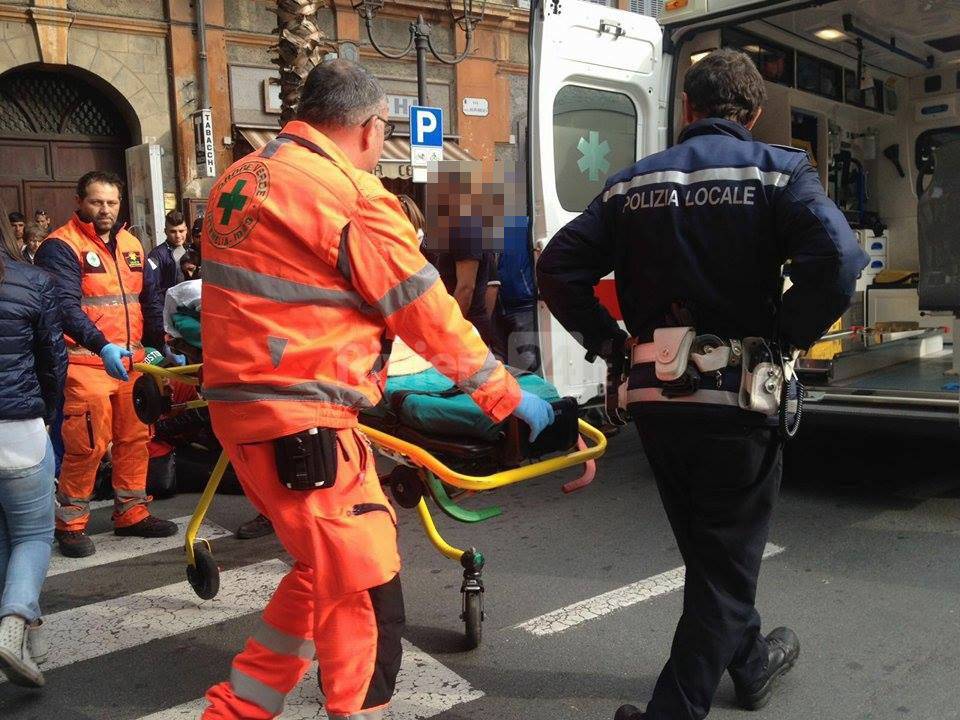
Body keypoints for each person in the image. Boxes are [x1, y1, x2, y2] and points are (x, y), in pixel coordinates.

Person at [199, 58, 554, 720]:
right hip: (304, 424)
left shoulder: (241, 179)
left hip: (244, 419)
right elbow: (430, 315)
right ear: (371, 127)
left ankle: (233, 712)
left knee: (319, 573)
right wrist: (510, 399)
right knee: (366, 596)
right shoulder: (350, 195)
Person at [537, 49, 868, 720]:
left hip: (657, 403)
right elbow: (837, 261)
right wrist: (785, 334)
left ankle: (749, 663)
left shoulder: (632, 184)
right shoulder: (779, 172)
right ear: (750, 114)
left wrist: (610, 344)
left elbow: (557, 269)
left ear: (687, 110)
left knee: (711, 548)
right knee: (722, 560)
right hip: (738, 402)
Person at [34, 171, 177, 558]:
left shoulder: (132, 245)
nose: (105, 210)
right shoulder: (60, 246)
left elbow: (150, 298)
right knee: (88, 445)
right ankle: (71, 523)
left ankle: (132, 512)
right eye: (97, 202)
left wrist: (156, 346)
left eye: (111, 203)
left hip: (132, 364)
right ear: (79, 201)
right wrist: (102, 346)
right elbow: (64, 307)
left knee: (136, 439)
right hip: (87, 364)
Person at [0, 209, 66, 687]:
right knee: (34, 537)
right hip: (18, 428)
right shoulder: (32, 282)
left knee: (4, 539)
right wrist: (49, 415)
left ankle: (31, 640)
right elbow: (52, 359)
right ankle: (16, 624)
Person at [496, 215, 539, 372]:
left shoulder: (526, 224)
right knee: (508, 360)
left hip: (523, 302)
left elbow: (538, 251)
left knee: (529, 360)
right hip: (500, 304)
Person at [143, 210, 190, 352]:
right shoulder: (157, 255)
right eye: (173, 231)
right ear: (165, 231)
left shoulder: (191, 251)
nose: (178, 235)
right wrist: (160, 326)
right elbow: (151, 292)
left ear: (186, 230)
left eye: (181, 231)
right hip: (167, 318)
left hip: (187, 315)